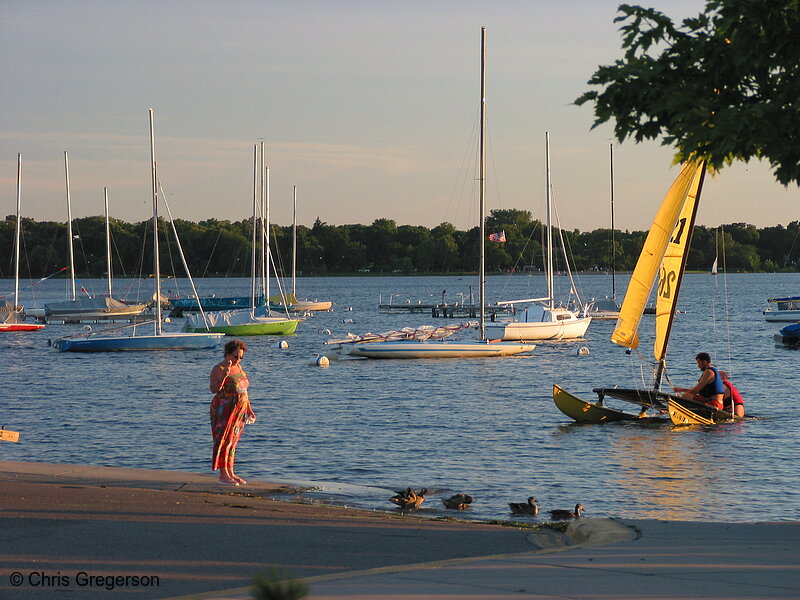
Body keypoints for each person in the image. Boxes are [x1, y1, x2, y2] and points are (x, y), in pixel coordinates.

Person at [210, 339, 255, 485]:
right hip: (225, 409)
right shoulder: (219, 368)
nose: (238, 360)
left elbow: (244, 390)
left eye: (241, 357)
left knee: (233, 442)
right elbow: (213, 389)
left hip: (239, 411)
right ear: (227, 354)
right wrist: (224, 377)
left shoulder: (240, 369)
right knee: (224, 441)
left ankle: (231, 472)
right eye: (235, 356)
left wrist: (249, 409)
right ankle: (223, 474)